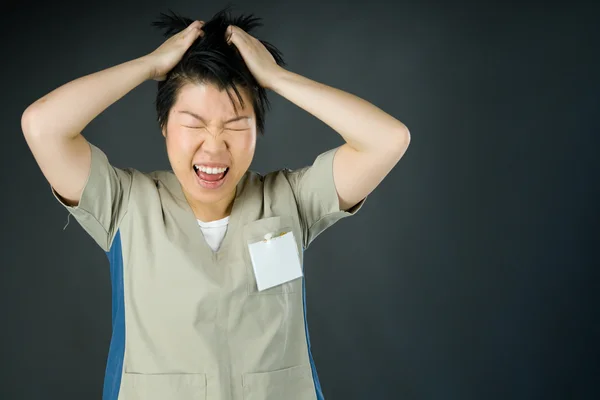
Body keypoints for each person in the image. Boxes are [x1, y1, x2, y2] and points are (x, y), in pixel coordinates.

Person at [21, 7, 410, 400]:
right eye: (193, 123)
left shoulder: (290, 201)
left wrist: (276, 77)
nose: (214, 146)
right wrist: (150, 65)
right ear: (164, 125)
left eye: (236, 125)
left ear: (257, 130)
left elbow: (387, 139)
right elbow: (43, 126)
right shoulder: (125, 204)